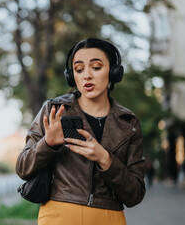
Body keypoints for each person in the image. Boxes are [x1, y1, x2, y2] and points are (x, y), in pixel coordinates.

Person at [16, 38, 146, 225]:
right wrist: (48, 143)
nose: (86, 76)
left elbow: (135, 194)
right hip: (58, 215)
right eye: (79, 69)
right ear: (72, 76)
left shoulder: (129, 123)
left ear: (114, 72)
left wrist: (105, 158)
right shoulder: (53, 110)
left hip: (109, 217)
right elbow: (22, 168)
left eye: (96, 67)